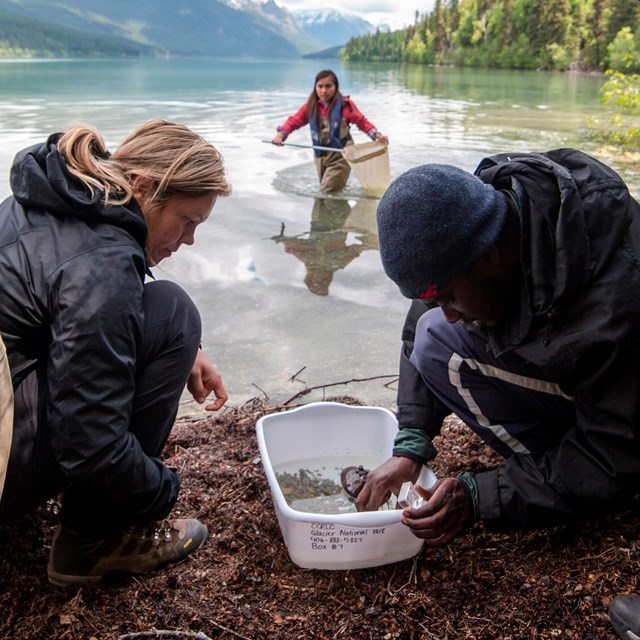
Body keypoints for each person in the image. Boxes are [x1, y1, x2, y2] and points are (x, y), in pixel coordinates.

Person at [356, 150, 640, 552]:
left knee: (609, 470)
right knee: (431, 337)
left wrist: (484, 497)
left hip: (625, 421)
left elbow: (617, 449)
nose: (451, 315)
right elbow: (428, 305)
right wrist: (412, 441)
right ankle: (553, 471)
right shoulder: (481, 225)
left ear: (489, 255)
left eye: (450, 297)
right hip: (585, 391)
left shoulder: (614, 301)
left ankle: (575, 483)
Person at [0, 120, 232, 586]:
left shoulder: (50, 195)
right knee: (175, 312)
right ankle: (90, 544)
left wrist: (187, 349)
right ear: (144, 187)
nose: (189, 240)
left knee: (165, 314)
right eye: (187, 221)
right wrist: (163, 490)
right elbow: (89, 445)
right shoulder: (104, 263)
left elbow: (75, 288)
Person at [271, 69, 389, 194]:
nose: (323, 91)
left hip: (341, 155)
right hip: (320, 155)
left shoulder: (345, 106)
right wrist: (280, 135)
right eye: (320, 86)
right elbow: (293, 121)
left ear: (336, 87)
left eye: (328, 86)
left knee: (326, 192)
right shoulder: (310, 106)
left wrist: (377, 135)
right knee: (330, 191)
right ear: (315, 87)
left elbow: (362, 122)